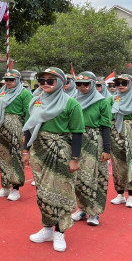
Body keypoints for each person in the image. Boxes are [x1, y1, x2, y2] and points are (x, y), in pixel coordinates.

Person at [22, 67, 84, 252]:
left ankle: (60, 232)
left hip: (61, 151)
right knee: (43, 191)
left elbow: (78, 133)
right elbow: (29, 126)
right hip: (39, 150)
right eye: (42, 81)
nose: (45, 84)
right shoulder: (36, 101)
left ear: (61, 82)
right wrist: (26, 151)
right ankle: (47, 228)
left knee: (61, 191)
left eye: (51, 80)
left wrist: (75, 158)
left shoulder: (71, 103)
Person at [71, 71, 112, 226]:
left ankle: (94, 212)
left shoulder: (102, 102)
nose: (82, 87)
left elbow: (106, 126)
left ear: (94, 84)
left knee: (95, 177)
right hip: (76, 139)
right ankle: (81, 209)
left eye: (86, 84)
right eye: (79, 84)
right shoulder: (72, 100)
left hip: (95, 141)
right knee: (78, 177)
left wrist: (107, 150)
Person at [0, 69, 32, 201]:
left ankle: (16, 188)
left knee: (16, 157)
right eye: (6, 80)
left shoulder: (25, 94)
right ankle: (5, 186)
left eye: (11, 80)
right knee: (2, 156)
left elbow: (29, 114)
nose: (8, 82)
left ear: (18, 80)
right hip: (1, 127)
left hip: (17, 128)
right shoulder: (1, 93)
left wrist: (27, 133)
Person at [109, 74, 132, 207]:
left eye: (124, 83)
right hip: (115, 132)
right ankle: (120, 194)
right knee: (117, 163)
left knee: (130, 162)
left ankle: (131, 194)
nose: (121, 86)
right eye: (117, 83)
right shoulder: (113, 99)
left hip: (130, 133)